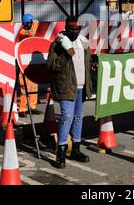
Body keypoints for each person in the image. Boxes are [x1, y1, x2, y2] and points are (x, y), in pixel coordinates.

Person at [47, 16, 92, 169]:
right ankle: (60, 152)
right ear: (66, 28)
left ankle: (76, 149)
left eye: (77, 29)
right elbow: (51, 66)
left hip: (81, 86)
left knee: (79, 117)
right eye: (71, 29)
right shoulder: (58, 43)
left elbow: (86, 63)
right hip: (66, 86)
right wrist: (66, 54)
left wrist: (93, 65)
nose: (74, 32)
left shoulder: (83, 43)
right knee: (67, 117)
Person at [18, 13, 42, 117]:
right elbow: (31, 33)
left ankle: (32, 107)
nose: (31, 24)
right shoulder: (23, 32)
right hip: (23, 65)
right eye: (30, 23)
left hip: (31, 64)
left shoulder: (28, 31)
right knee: (24, 88)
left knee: (34, 86)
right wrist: (35, 24)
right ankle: (22, 109)